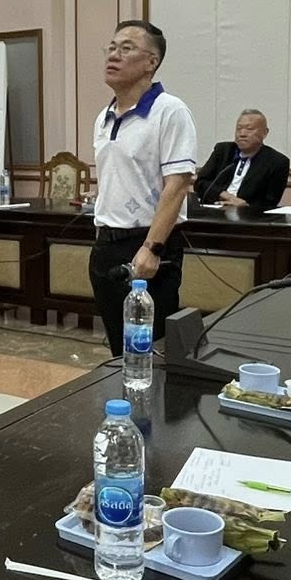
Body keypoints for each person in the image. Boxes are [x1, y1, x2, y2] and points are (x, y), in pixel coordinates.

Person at [89, 19, 198, 356]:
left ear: (152, 62)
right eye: (111, 48)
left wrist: (153, 248)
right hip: (106, 245)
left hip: (148, 246)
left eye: (126, 48)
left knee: (150, 351)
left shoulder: (170, 111)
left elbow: (177, 185)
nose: (114, 55)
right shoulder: (104, 116)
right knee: (118, 350)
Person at [194, 108, 288, 209]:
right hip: (213, 210)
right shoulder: (223, 151)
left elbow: (269, 202)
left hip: (249, 215)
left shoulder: (277, 162)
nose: (242, 134)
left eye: (249, 129)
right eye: (239, 129)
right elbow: (200, 184)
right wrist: (226, 195)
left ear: (265, 132)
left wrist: (245, 206)